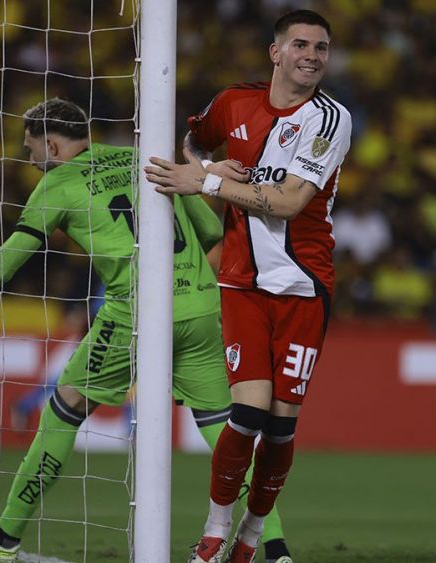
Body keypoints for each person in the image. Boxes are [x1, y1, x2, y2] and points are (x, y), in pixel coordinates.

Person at [0, 97, 292, 561]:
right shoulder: (139, 158)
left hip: (134, 315)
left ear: (51, 144)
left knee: (65, 408)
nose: (30, 160)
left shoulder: (58, 184)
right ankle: (275, 548)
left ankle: (3, 538)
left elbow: (6, 265)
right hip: (202, 310)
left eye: (30, 150)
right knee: (230, 434)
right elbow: (212, 234)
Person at [145, 9, 351, 563]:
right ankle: (213, 537)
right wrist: (205, 164)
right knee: (247, 415)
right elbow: (191, 146)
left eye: (322, 48)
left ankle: (251, 541)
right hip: (240, 281)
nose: (312, 55)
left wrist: (206, 179)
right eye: (301, 44)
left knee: (281, 428)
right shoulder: (234, 103)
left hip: (304, 284)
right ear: (275, 52)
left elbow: (288, 202)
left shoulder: (329, 119)